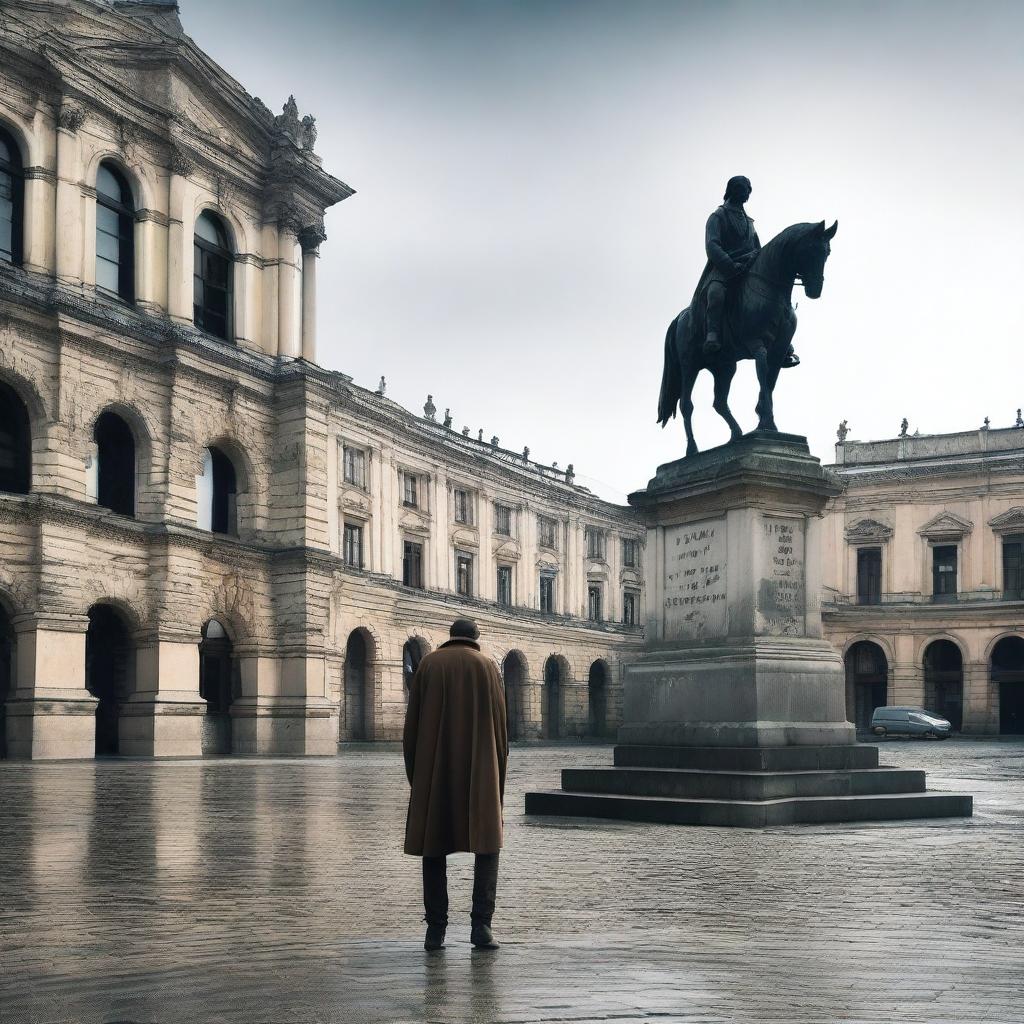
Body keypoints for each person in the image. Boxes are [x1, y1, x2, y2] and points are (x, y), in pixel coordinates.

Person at [403, 618, 509, 952]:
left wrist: (418, 778)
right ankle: (482, 927)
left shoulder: (429, 665)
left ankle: (435, 931)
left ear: (451, 637)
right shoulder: (486, 666)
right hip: (481, 772)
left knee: (433, 849)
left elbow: (412, 729)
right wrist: (498, 779)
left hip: (435, 770)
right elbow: (501, 730)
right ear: (475, 638)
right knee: (488, 845)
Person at [701, 175, 799, 368]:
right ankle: (712, 333)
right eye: (742, 188)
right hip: (724, 268)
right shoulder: (717, 217)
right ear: (732, 190)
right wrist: (729, 264)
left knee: (771, 296)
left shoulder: (749, 222)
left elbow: (758, 248)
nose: (746, 192)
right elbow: (712, 245)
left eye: (748, 189)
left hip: (748, 268)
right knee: (716, 294)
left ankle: (780, 340)